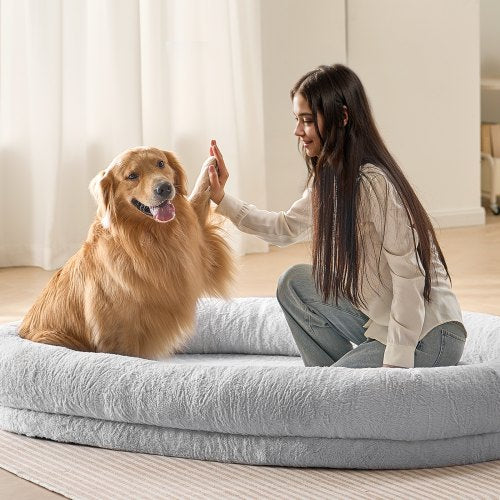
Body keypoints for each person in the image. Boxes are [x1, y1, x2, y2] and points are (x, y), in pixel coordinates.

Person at [193, 63, 467, 369]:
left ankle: (337, 386)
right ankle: (331, 382)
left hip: (429, 334)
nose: (298, 131)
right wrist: (221, 199)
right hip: (381, 323)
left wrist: (396, 364)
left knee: (330, 396)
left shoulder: (374, 183)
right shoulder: (329, 178)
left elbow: (409, 276)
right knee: (293, 282)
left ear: (343, 117)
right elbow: (285, 228)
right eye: (297, 120)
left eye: (307, 121)